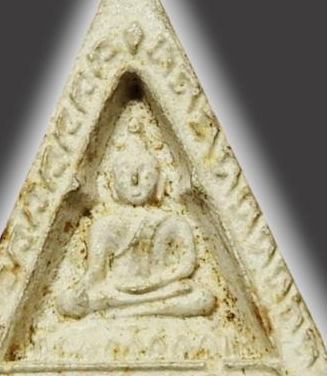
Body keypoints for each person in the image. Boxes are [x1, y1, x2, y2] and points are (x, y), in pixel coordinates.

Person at [57, 119, 215, 318]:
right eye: (124, 172)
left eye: (146, 173)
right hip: (118, 290)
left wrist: (155, 283)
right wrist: (80, 288)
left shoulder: (174, 222)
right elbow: (96, 273)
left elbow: (186, 266)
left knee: (203, 297)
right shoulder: (105, 224)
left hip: (163, 289)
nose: (135, 179)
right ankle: (139, 307)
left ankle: (134, 310)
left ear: (160, 183)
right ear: (112, 185)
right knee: (68, 301)